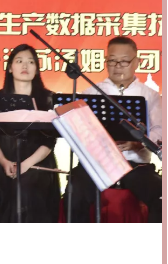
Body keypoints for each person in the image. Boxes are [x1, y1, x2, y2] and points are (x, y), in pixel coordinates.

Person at [65, 36, 162, 223]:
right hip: (98, 165)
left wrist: (138, 143)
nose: (118, 66)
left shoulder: (149, 95)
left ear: (137, 62)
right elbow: (79, 131)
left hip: (136, 166)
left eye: (124, 61)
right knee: (74, 194)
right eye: (112, 60)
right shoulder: (91, 93)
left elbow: (159, 129)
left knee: (161, 196)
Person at [0, 44, 61, 223]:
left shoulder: (48, 99)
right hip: (2, 160)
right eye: (19, 61)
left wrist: (26, 164)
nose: (25, 66)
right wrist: (3, 161)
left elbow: (49, 141)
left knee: (25, 190)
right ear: (10, 68)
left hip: (36, 163)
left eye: (31, 62)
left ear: (37, 69)